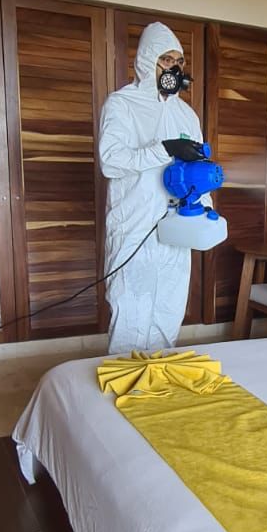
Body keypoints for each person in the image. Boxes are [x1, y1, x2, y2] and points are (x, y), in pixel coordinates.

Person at [98, 20, 206, 353]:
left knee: (168, 312)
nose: (174, 68)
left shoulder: (187, 115)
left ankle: (157, 379)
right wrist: (165, 148)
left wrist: (206, 211)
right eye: (166, 59)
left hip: (176, 230)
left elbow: (198, 170)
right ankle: (124, 381)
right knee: (130, 313)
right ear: (148, 60)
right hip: (134, 228)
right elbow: (111, 160)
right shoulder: (121, 104)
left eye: (179, 61)